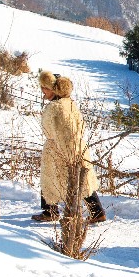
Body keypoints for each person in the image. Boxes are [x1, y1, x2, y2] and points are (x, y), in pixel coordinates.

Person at [32, 70, 107, 224]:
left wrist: (69, 154)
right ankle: (96, 211)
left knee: (53, 180)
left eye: (45, 88)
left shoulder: (56, 108)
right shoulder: (69, 103)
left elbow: (66, 132)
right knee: (81, 179)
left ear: (54, 89)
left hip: (61, 149)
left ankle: (51, 212)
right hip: (74, 146)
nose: (43, 92)